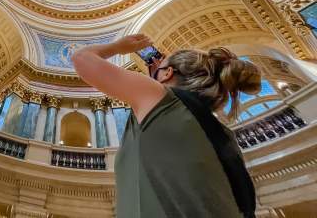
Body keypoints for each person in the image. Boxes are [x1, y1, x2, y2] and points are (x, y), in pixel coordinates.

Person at [72, 34, 261, 218]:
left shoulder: (161, 100)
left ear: (169, 73)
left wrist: (119, 47)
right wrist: (159, 74)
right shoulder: (222, 134)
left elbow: (82, 58)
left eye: (161, 69)